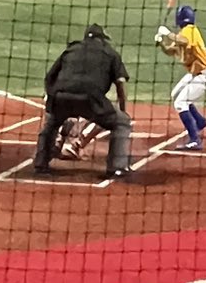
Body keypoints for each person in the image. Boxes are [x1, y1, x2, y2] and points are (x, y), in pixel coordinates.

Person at [34, 25, 134, 178]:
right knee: (122, 123)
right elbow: (121, 85)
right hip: (90, 99)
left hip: (61, 97)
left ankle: (41, 163)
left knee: (51, 124)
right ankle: (117, 167)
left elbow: (49, 77)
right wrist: (122, 110)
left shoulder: (71, 50)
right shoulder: (111, 53)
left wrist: (52, 102)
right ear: (102, 39)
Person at [156, 4, 206, 149]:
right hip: (196, 74)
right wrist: (160, 42)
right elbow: (171, 51)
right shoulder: (184, 33)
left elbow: (183, 41)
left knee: (180, 103)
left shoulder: (190, 30)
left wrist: (167, 33)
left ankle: (195, 140)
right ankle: (200, 121)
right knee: (175, 95)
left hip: (205, 75)